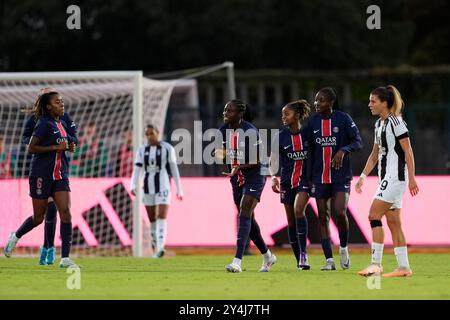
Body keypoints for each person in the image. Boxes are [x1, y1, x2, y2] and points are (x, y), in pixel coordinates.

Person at [4, 90, 78, 268]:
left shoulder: (63, 121)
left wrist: (69, 145)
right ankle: (16, 236)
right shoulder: (43, 124)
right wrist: (56, 147)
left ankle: (65, 258)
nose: (62, 104)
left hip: (60, 174)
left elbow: (69, 140)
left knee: (66, 213)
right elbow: (31, 148)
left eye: (62, 101)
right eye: (57, 102)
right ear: (48, 106)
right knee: (38, 218)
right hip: (41, 175)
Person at [357, 85, 418, 277]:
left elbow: (408, 151)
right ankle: (404, 267)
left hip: (396, 177)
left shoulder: (396, 122)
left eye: (373, 101)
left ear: (385, 103)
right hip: (386, 178)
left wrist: (412, 179)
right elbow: (374, 155)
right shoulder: (379, 125)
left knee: (373, 215)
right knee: (393, 222)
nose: (369, 105)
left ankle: (376, 264)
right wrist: (363, 177)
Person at [217, 99, 277, 273]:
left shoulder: (250, 131)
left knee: (244, 212)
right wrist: (219, 154)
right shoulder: (223, 130)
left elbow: (257, 160)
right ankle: (268, 256)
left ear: (239, 114)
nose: (225, 113)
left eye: (229, 111)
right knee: (248, 218)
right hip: (237, 177)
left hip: (255, 175)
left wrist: (237, 166)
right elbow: (223, 154)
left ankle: (237, 261)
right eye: (225, 110)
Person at [307, 87, 363, 271]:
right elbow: (308, 152)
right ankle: (329, 260)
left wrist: (343, 150)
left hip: (340, 176)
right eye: (316, 100)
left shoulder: (343, 119)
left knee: (340, 212)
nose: (317, 103)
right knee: (322, 217)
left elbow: (358, 142)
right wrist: (308, 178)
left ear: (331, 102)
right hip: (319, 177)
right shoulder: (312, 122)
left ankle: (344, 248)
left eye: (321, 100)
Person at [270, 100, 311, 270]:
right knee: (290, 220)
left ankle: (304, 254)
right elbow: (272, 159)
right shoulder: (279, 136)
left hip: (304, 181)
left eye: (287, 114)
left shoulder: (309, 134)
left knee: (298, 210)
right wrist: (273, 177)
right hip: (287, 182)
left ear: (297, 115)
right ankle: (298, 259)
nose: (283, 117)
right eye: (282, 115)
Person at [130, 125, 183, 258]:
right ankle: (156, 248)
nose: (149, 137)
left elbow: (174, 169)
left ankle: (160, 246)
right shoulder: (142, 150)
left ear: (158, 134)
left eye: (151, 134)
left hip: (163, 184)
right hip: (147, 185)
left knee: (161, 216)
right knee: (152, 218)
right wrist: (133, 185)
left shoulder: (167, 148)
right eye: (147, 134)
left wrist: (179, 188)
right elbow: (137, 169)